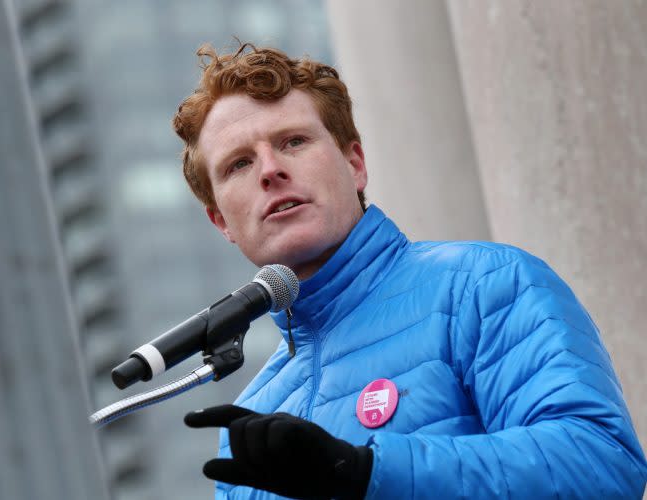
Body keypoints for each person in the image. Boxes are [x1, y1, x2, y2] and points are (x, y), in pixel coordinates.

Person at [173, 42, 647, 499]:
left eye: (293, 141)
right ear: (221, 222)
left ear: (355, 165)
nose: (270, 170)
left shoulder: (481, 285)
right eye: (239, 164)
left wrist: (363, 472)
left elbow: (600, 462)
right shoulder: (251, 416)